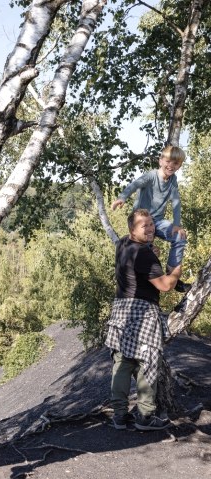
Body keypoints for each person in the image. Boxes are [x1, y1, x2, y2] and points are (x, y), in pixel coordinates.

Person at [105, 209, 181, 431]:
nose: (150, 229)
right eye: (143, 226)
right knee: (147, 361)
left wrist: (148, 247)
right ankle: (145, 417)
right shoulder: (145, 254)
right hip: (142, 310)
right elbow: (165, 286)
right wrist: (176, 268)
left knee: (123, 361)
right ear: (132, 229)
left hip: (120, 308)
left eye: (151, 224)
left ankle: (119, 416)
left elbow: (137, 265)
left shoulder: (122, 244)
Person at [111, 145, 189, 292]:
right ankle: (140, 286)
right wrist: (122, 197)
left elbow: (176, 201)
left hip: (157, 222)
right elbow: (134, 185)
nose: (171, 166)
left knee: (179, 236)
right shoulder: (151, 176)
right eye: (168, 161)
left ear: (179, 165)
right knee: (146, 252)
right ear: (161, 161)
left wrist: (177, 225)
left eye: (176, 163)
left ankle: (173, 275)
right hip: (141, 221)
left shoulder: (173, 180)